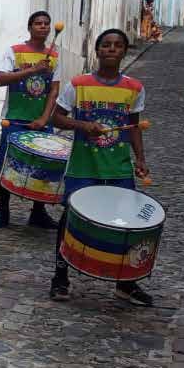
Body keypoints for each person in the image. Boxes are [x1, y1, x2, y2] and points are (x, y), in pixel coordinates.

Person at [49, 29, 152, 306]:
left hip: (118, 169)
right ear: (97, 50)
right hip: (83, 167)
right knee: (70, 220)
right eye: (106, 45)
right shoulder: (78, 84)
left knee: (127, 225)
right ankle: (60, 277)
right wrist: (82, 125)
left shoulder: (134, 88)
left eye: (118, 45)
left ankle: (125, 284)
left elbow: (134, 126)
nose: (111, 49)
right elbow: (57, 118)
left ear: (124, 51)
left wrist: (140, 159)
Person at [0, 11, 61, 230]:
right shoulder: (14, 51)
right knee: (6, 164)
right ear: (29, 27)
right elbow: (0, 79)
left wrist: (43, 118)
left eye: (46, 24)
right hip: (15, 119)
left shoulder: (55, 55)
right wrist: (33, 69)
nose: (43, 27)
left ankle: (38, 212)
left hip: (41, 121)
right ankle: (3, 210)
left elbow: (54, 90)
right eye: (38, 23)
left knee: (42, 167)